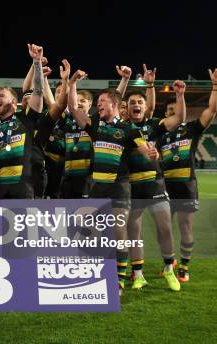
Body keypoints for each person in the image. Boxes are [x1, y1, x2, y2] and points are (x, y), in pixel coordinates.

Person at [68, 72, 161, 295]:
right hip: (96, 189)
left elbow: (145, 151)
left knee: (119, 232)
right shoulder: (94, 126)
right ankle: (93, 271)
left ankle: (118, 280)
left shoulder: (130, 130)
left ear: (114, 104)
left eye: (101, 103)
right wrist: (71, 83)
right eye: (97, 103)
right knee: (86, 231)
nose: (97, 106)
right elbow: (73, 109)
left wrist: (152, 153)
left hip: (119, 188)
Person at [158, 68, 217, 283]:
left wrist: (215, 85)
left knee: (185, 227)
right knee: (164, 229)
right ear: (166, 113)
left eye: (174, 108)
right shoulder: (159, 132)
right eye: (168, 109)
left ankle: (184, 267)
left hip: (186, 185)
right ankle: (169, 264)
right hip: (164, 186)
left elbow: (212, 110)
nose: (172, 111)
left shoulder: (192, 129)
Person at [125, 70, 186, 292]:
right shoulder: (121, 129)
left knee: (165, 228)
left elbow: (178, 118)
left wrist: (179, 96)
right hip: (131, 187)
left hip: (155, 184)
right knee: (134, 231)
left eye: (140, 101)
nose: (136, 105)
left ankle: (169, 268)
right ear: (127, 107)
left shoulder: (153, 126)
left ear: (144, 106)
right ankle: (138, 274)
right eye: (132, 102)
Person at [0, 44, 61, 199]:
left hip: (23, 189)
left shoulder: (26, 119)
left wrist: (37, 63)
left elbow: (38, 91)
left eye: (1, 95)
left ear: (13, 101)